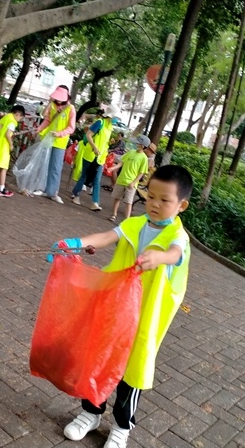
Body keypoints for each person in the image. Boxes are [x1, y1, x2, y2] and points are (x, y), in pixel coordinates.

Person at [49, 164, 193, 448]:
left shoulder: (177, 236)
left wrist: (158, 258)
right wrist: (75, 243)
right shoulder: (135, 224)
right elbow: (107, 237)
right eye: (151, 196)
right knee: (99, 359)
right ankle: (90, 413)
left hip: (144, 318)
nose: (155, 204)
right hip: (115, 309)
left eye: (164, 200)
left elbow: (175, 253)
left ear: (181, 205)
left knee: (131, 374)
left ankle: (122, 427)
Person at [71, 105, 121, 211]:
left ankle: (95, 202)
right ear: (110, 116)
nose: (116, 120)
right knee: (84, 176)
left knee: (97, 180)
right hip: (90, 155)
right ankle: (76, 194)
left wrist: (109, 143)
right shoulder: (100, 123)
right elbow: (88, 135)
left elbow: (102, 141)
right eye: (116, 117)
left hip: (100, 158)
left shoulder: (109, 127)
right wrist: (94, 147)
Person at [34, 85, 76, 204]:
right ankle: (42, 188)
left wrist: (59, 133)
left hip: (60, 142)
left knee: (56, 167)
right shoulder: (52, 106)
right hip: (48, 139)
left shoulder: (70, 108)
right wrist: (39, 129)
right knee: (44, 164)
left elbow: (71, 128)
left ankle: (53, 192)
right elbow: (47, 120)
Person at [106, 134, 151, 223]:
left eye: (138, 143)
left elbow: (141, 172)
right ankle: (114, 215)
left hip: (131, 183)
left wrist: (134, 183)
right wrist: (112, 168)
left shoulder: (144, 158)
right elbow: (121, 163)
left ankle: (126, 221)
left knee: (128, 202)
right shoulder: (131, 152)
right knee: (116, 198)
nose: (136, 144)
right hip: (121, 179)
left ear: (142, 146)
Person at [0, 105, 26, 197]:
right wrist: (11, 144)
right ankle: (1, 189)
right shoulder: (12, 121)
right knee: (4, 168)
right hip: (3, 147)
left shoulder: (4, 118)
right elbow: (8, 134)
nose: (19, 120)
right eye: (21, 118)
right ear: (18, 114)